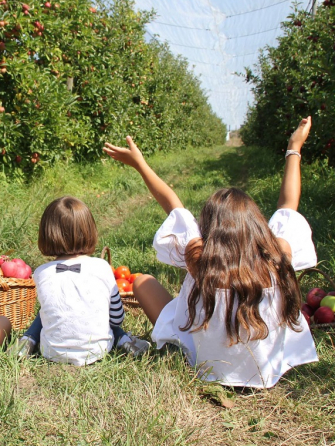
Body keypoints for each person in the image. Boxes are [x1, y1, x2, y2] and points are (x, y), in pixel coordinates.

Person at [103, 116, 318, 388]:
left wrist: (140, 164)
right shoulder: (277, 257)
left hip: (207, 367)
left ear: (210, 228)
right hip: (266, 371)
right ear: (257, 226)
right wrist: (294, 148)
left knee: (143, 282)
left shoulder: (201, 259)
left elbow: (174, 206)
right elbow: (288, 204)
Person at [10, 196, 150, 364]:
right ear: (89, 231)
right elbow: (117, 319)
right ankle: (125, 340)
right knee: (106, 317)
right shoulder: (102, 267)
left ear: (46, 234)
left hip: (51, 351)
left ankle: (27, 340)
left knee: (43, 314)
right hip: (97, 350)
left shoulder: (40, 273)